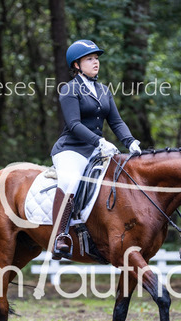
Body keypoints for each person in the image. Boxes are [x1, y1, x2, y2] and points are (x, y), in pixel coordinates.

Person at [50, 39, 142, 260]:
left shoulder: (103, 90)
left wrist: (130, 142)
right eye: (89, 59)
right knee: (71, 180)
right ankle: (60, 235)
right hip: (71, 149)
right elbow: (74, 124)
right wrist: (99, 141)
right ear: (76, 65)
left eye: (97, 58)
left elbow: (116, 122)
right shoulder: (69, 89)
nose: (95, 62)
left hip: (95, 149)